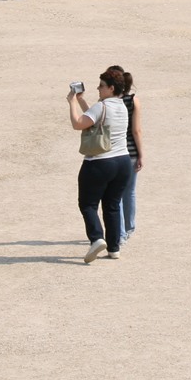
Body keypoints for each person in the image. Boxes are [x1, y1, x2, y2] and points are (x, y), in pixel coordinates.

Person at [67, 68, 133, 263]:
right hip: (123, 162)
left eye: (102, 86)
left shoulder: (101, 106)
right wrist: (81, 100)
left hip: (99, 163)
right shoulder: (122, 106)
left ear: (111, 88)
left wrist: (71, 103)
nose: (98, 88)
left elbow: (79, 123)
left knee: (87, 204)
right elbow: (96, 118)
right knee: (112, 205)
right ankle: (114, 248)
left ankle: (96, 238)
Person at [105, 65, 145, 246]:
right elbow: (136, 131)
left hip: (114, 153)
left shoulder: (109, 102)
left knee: (115, 195)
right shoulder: (132, 100)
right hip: (131, 153)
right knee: (129, 192)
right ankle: (129, 228)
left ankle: (119, 233)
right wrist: (141, 154)